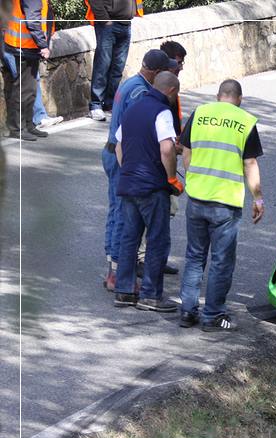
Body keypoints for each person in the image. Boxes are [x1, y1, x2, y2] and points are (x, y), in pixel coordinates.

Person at [178, 79, 264, 332]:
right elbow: (250, 164)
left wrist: (193, 176)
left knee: (195, 256)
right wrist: (257, 198)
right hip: (225, 203)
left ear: (218, 96)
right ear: (239, 99)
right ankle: (213, 316)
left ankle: (187, 311)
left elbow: (186, 151)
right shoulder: (245, 121)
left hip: (197, 197)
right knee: (221, 261)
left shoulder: (200, 113)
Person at [102, 49, 177, 292]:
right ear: (156, 73)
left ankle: (117, 271)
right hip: (122, 156)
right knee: (123, 217)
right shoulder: (141, 92)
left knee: (119, 211)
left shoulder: (131, 83)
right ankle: (116, 273)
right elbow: (138, 133)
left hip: (116, 151)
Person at [113, 71, 183, 312]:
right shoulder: (162, 111)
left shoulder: (134, 107)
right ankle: (151, 296)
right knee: (157, 239)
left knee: (129, 238)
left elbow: (119, 145)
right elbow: (166, 149)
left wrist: (128, 171)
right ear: (172, 91)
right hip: (151, 187)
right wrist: (172, 178)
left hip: (129, 183)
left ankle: (123, 291)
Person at [84, 0, 144, 121]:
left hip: (125, 23)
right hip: (108, 22)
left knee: (118, 67)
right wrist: (104, 19)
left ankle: (110, 103)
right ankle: (96, 105)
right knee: (102, 65)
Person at [3, 0, 53, 141]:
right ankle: (17, 128)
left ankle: (28, 125)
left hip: (27, 46)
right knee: (24, 90)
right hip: (23, 46)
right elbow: (32, 20)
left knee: (29, 90)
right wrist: (43, 45)